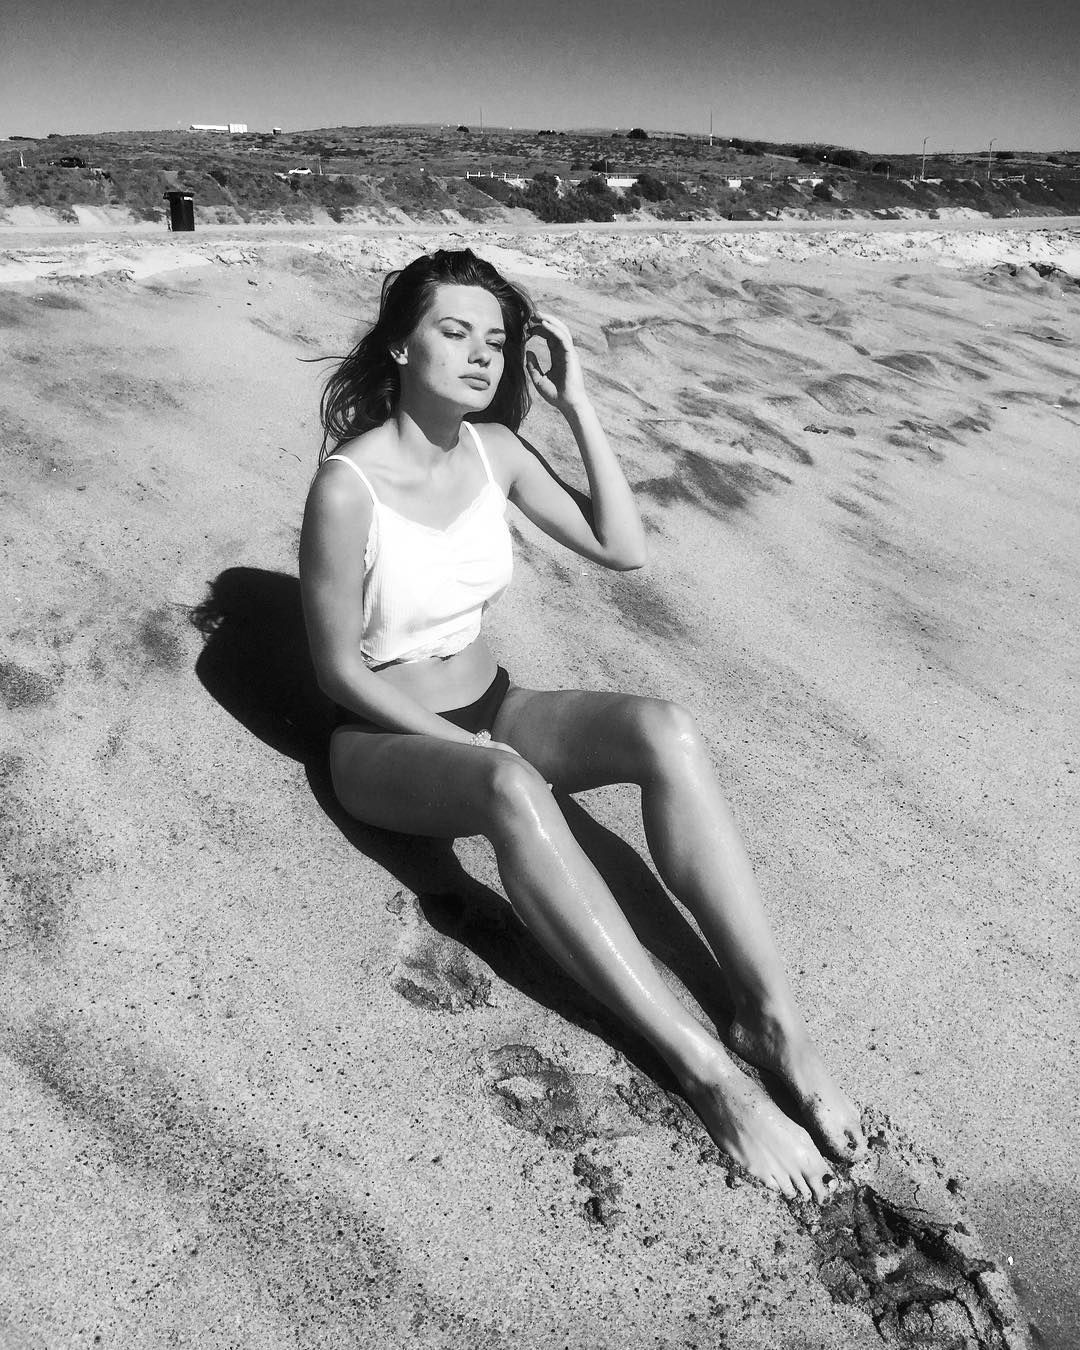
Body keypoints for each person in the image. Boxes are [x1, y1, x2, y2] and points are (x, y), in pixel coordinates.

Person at [299, 248, 865, 1202]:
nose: (481, 355)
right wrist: (463, 747)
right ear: (399, 345)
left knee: (664, 728)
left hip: (493, 702)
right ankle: (710, 1077)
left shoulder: (497, 451)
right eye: (454, 331)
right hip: (379, 742)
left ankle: (773, 1022)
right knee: (509, 784)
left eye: (495, 340)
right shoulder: (348, 485)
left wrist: (577, 404)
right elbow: (337, 671)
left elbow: (623, 547)